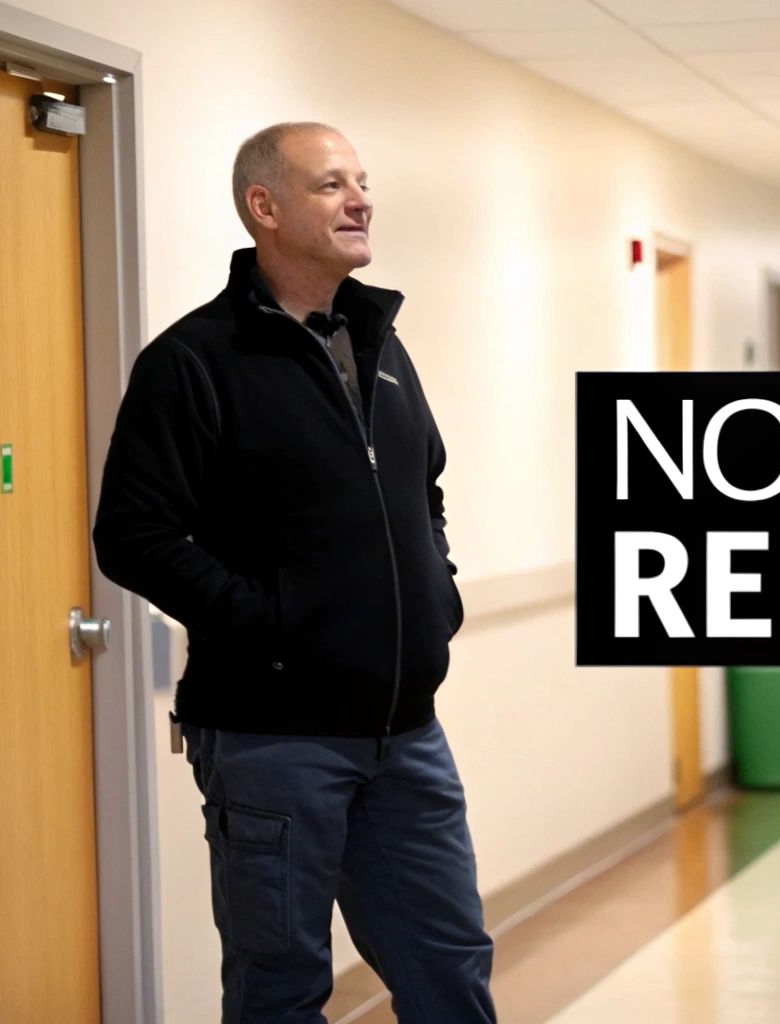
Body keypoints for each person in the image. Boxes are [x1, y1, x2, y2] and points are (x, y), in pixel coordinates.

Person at [92, 121, 497, 1023]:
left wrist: (439, 592)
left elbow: (422, 486)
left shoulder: (383, 348)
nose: (361, 199)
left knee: (451, 967)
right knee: (280, 988)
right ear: (263, 208)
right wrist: (274, 622)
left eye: (362, 179)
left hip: (406, 736)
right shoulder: (195, 361)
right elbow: (132, 534)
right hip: (274, 743)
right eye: (330, 185)